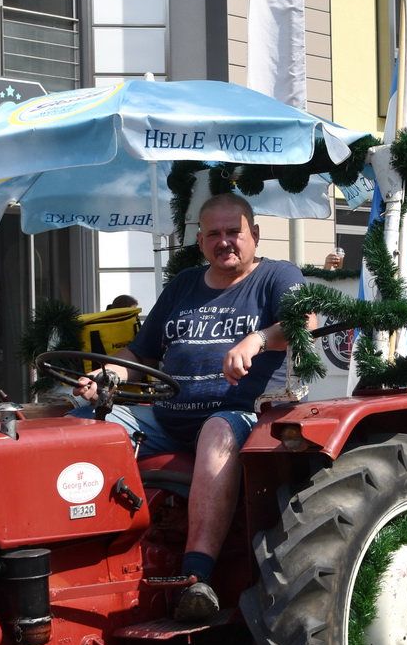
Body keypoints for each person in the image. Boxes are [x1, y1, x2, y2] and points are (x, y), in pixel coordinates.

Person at [71, 193, 308, 621]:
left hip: (237, 412)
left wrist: (256, 339)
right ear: (200, 241)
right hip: (164, 415)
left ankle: (195, 579)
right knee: (84, 427)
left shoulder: (276, 276)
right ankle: (71, 556)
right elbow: (140, 357)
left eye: (234, 232)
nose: (225, 242)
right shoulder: (182, 285)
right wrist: (109, 376)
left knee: (218, 431)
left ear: (254, 234)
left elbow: (302, 321)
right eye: (213, 234)